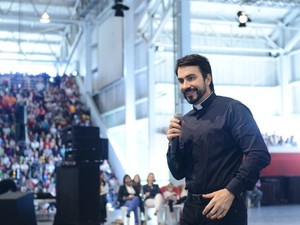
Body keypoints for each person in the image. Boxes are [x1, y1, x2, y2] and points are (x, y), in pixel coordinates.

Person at [166, 54, 271, 225]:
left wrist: (231, 191)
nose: (185, 85)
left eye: (191, 78)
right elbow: (178, 172)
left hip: (224, 208)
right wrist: (172, 144)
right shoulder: (184, 121)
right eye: (181, 80)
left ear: (208, 78)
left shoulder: (233, 109)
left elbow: (258, 153)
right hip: (191, 210)